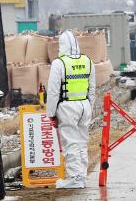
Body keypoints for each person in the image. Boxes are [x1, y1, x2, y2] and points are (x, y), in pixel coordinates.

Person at [47, 30, 95, 189]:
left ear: (62, 45)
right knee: (81, 143)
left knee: (71, 144)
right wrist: (90, 108)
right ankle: (81, 176)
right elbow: (92, 89)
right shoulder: (88, 61)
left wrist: (51, 114)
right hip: (84, 106)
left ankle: (74, 178)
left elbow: (53, 92)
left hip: (67, 107)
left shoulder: (59, 63)